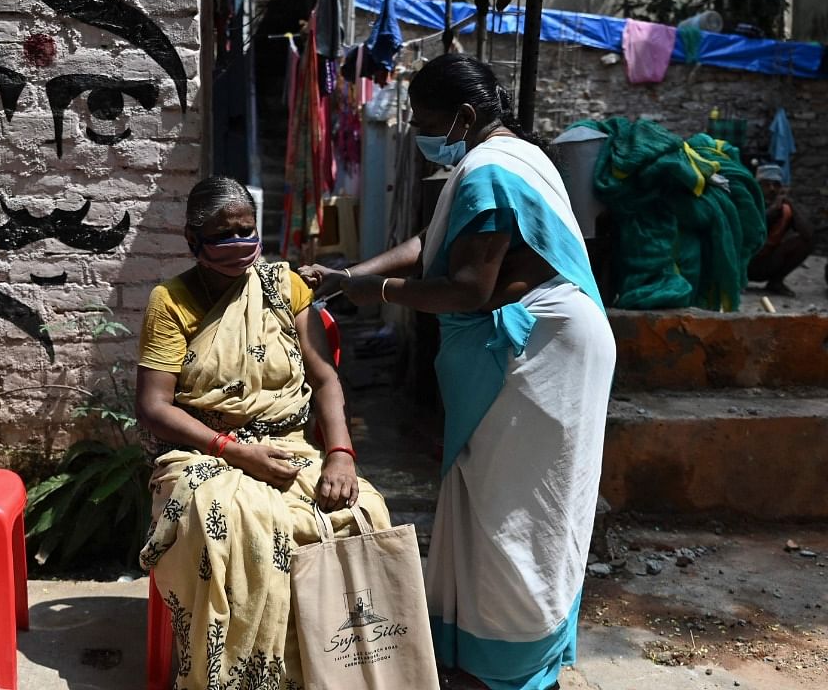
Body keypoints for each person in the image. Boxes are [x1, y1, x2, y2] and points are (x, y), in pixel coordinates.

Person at [301, 54, 616, 690]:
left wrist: (379, 292)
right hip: (550, 342)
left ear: (465, 116)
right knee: (489, 502)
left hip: (538, 352)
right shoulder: (509, 157)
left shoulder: (489, 172)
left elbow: (471, 286)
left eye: (426, 120)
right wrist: (349, 278)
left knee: (517, 517)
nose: (421, 132)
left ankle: (515, 660)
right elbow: (432, 242)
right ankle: (485, 648)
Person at [135, 176, 391, 688]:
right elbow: (153, 406)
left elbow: (323, 377)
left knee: (364, 510)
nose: (238, 246)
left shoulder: (284, 286)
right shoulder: (172, 300)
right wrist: (236, 452)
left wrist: (340, 452)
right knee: (224, 522)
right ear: (192, 241)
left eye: (246, 231)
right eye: (221, 236)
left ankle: (332, 669)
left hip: (291, 444)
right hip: (202, 449)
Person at [747, 164, 814, 297]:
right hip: (744, 264)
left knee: (805, 242)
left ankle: (776, 282)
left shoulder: (784, 209)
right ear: (757, 186)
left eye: (776, 185)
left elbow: (808, 234)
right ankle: (734, 282)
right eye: (766, 184)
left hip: (766, 263)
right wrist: (768, 215)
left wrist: (791, 205)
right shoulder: (747, 202)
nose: (772, 189)